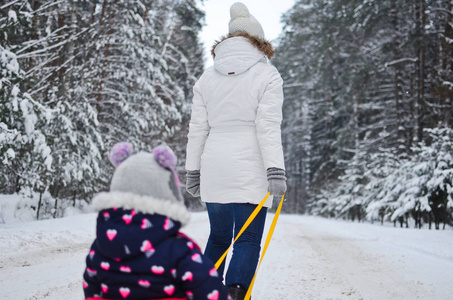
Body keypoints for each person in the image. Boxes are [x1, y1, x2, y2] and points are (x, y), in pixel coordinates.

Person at [185, 2, 287, 299]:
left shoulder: (207, 77)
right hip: (249, 166)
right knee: (248, 237)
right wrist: (275, 170)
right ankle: (235, 292)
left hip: (214, 165)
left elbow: (197, 129)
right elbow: (267, 126)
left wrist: (193, 170)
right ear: (259, 42)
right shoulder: (268, 75)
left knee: (218, 238)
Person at [83, 142, 231, 300]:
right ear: (168, 194)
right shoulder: (178, 250)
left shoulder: (100, 247)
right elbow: (212, 293)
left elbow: (92, 291)